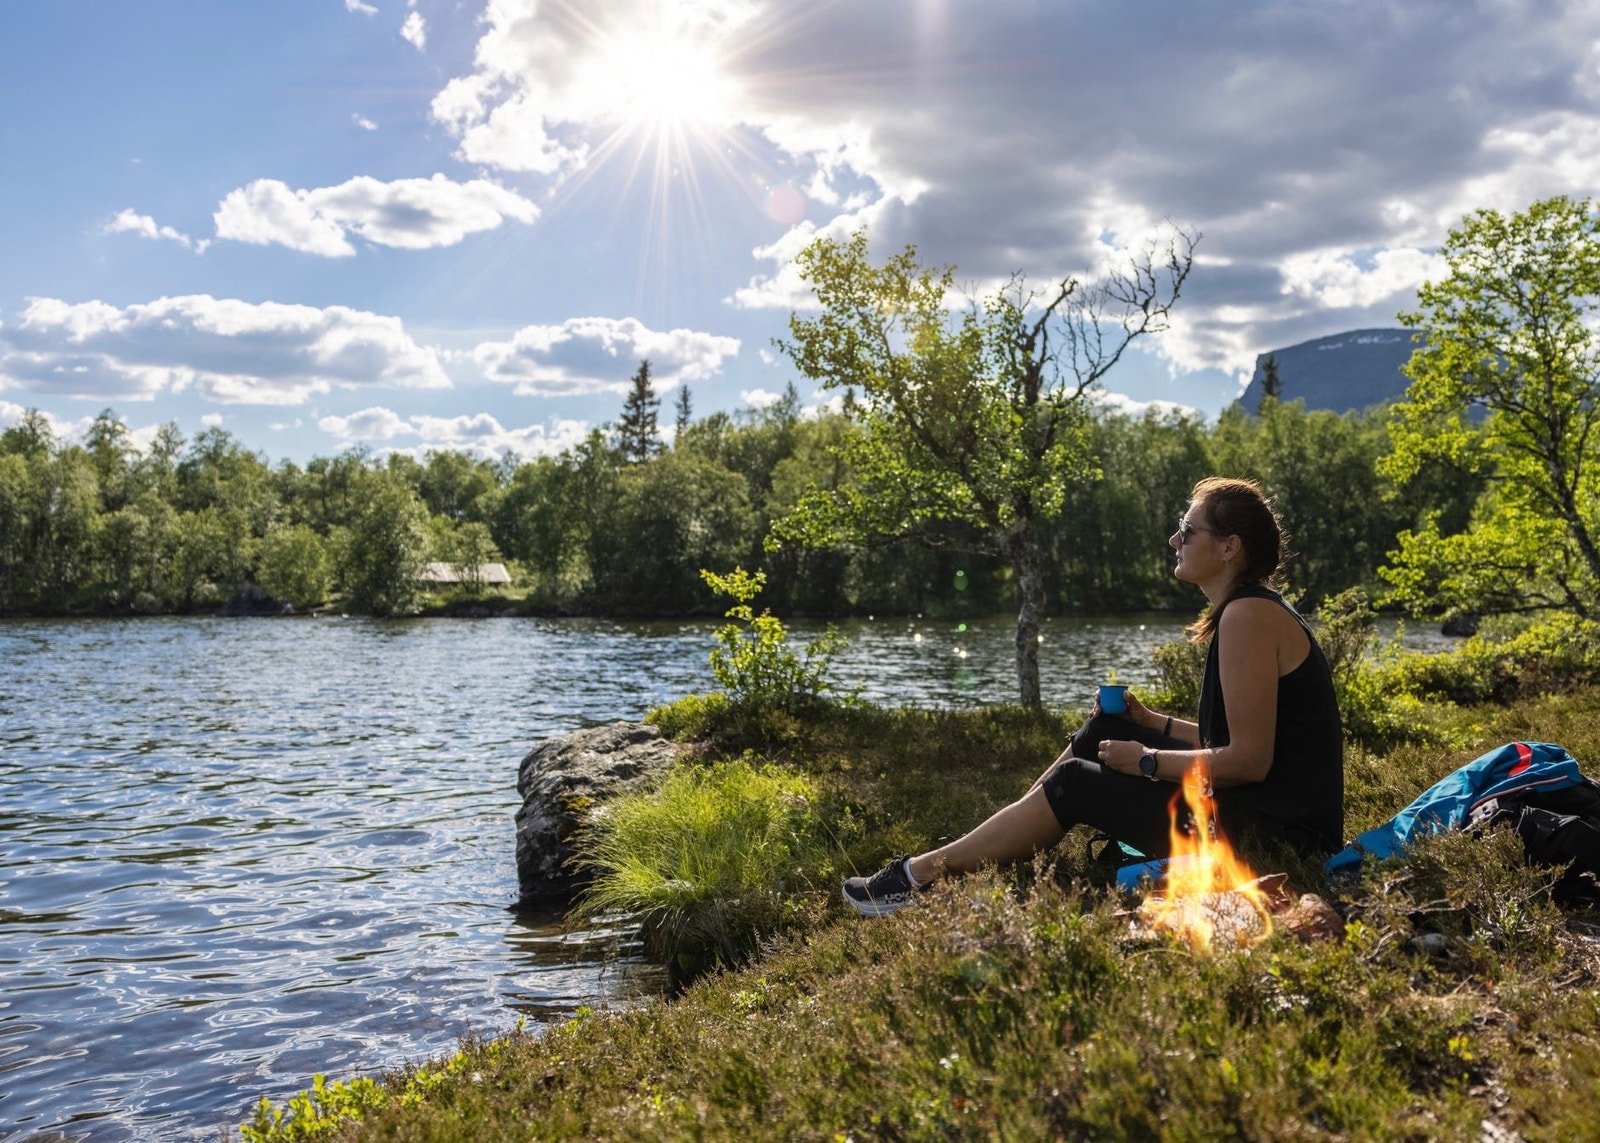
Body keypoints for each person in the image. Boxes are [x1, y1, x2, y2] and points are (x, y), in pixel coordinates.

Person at [842, 476, 1344, 916]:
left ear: (1230, 546)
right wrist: (1152, 723)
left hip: (1277, 835)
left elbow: (1249, 762)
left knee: (1076, 783)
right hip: (1257, 808)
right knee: (1106, 727)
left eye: (1188, 531)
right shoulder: (1249, 612)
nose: (1175, 539)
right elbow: (1239, 741)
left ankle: (923, 875)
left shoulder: (1248, 617)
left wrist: (1146, 760)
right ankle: (1005, 832)